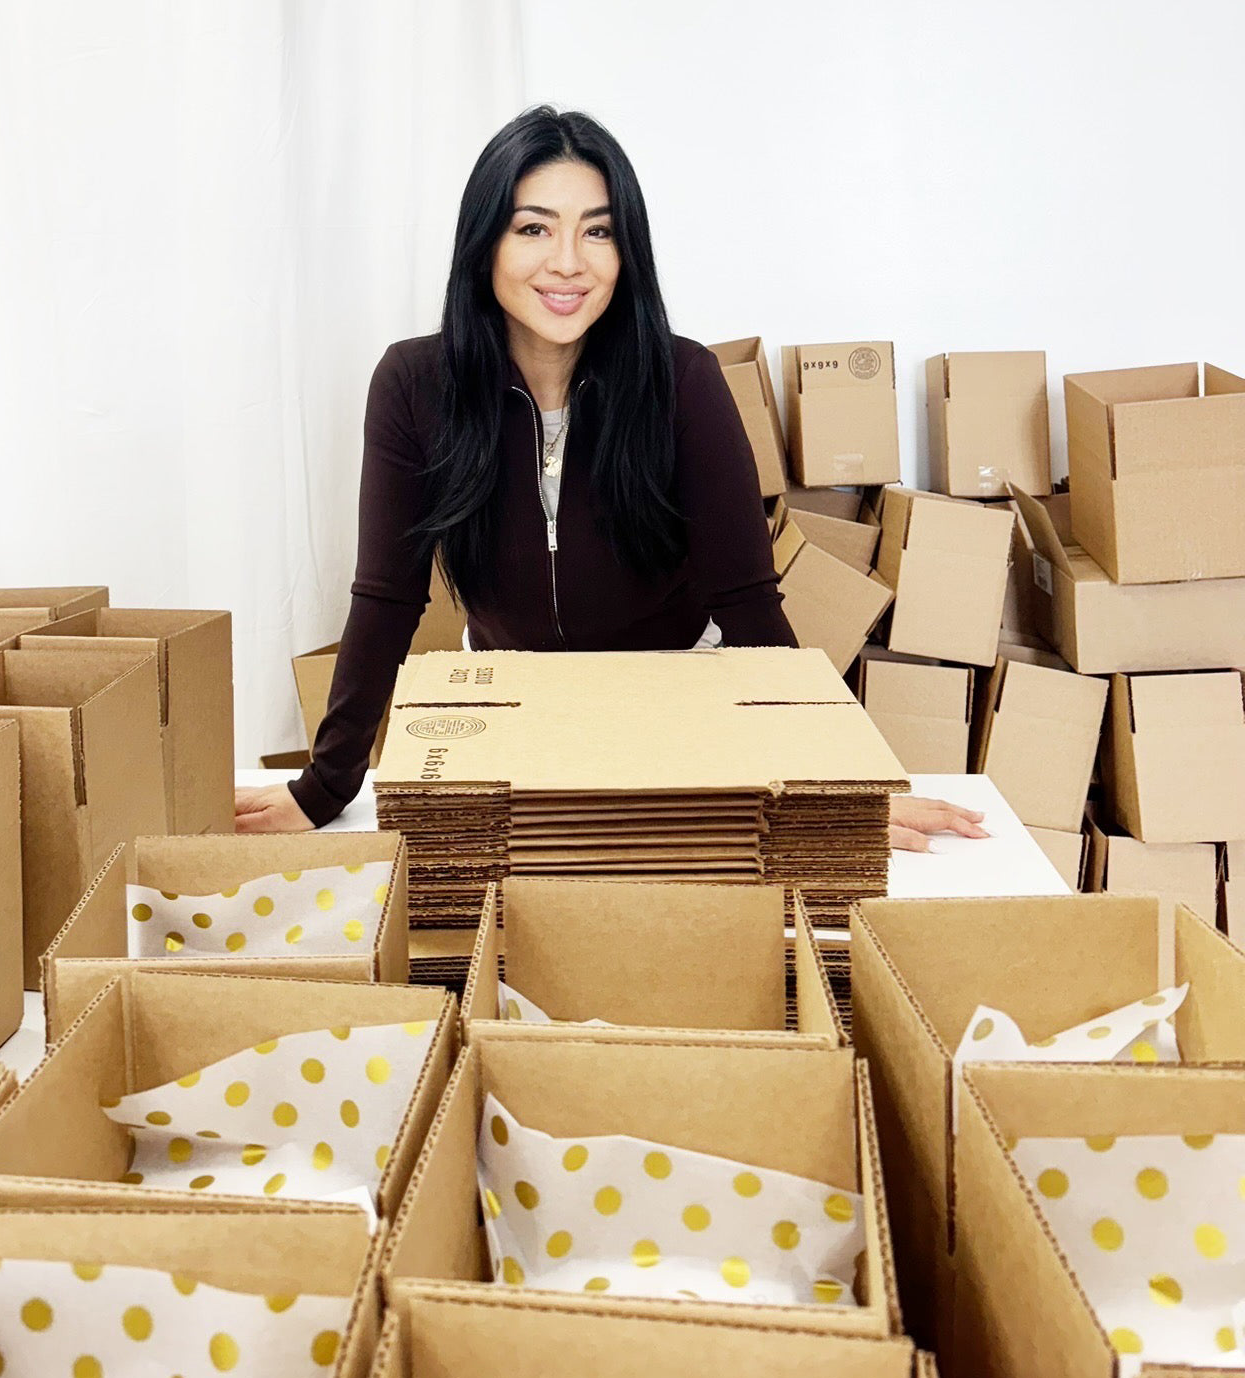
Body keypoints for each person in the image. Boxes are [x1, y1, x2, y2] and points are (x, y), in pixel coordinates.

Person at [236, 105, 986, 854]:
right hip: (510, 696)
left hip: (675, 688)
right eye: (534, 228)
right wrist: (325, 786)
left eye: (597, 231)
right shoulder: (414, 384)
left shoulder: (683, 379)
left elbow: (747, 602)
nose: (569, 262)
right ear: (485, 242)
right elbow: (387, 600)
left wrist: (839, 784)